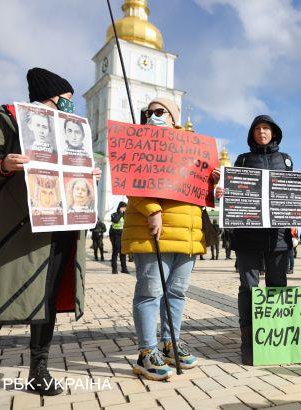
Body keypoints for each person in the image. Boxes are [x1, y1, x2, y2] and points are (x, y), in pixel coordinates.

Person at [0, 67, 100, 405]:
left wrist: (87, 173)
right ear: (49, 97)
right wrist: (4, 163)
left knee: (49, 302)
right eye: (65, 101)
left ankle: (38, 371)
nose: (70, 109)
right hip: (15, 234)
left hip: (58, 233)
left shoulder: (71, 132)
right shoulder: (9, 119)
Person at [123, 98, 218, 380]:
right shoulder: (141, 143)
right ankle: (146, 351)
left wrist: (212, 183)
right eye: (149, 112)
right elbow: (131, 181)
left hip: (187, 234)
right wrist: (153, 210)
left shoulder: (194, 150)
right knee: (151, 292)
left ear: (175, 118)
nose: (153, 115)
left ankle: (170, 343)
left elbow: (200, 192)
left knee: (176, 292)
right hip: (156, 230)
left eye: (159, 111)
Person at [215, 114, 301, 365]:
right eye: (257, 129)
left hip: (278, 238)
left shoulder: (285, 159)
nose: (261, 132)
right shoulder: (243, 160)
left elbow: (292, 191)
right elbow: (234, 191)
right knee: (248, 288)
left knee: (277, 288)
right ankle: (248, 341)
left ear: (274, 132)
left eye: (266, 128)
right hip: (248, 236)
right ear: (251, 134)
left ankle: (274, 339)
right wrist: (224, 192)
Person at [110, 201, 128, 274]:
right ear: (120, 207)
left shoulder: (125, 215)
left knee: (123, 253)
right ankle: (114, 269)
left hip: (123, 235)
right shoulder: (114, 214)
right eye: (124, 207)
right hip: (115, 235)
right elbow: (116, 221)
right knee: (115, 252)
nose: (125, 209)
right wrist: (120, 213)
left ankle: (124, 269)